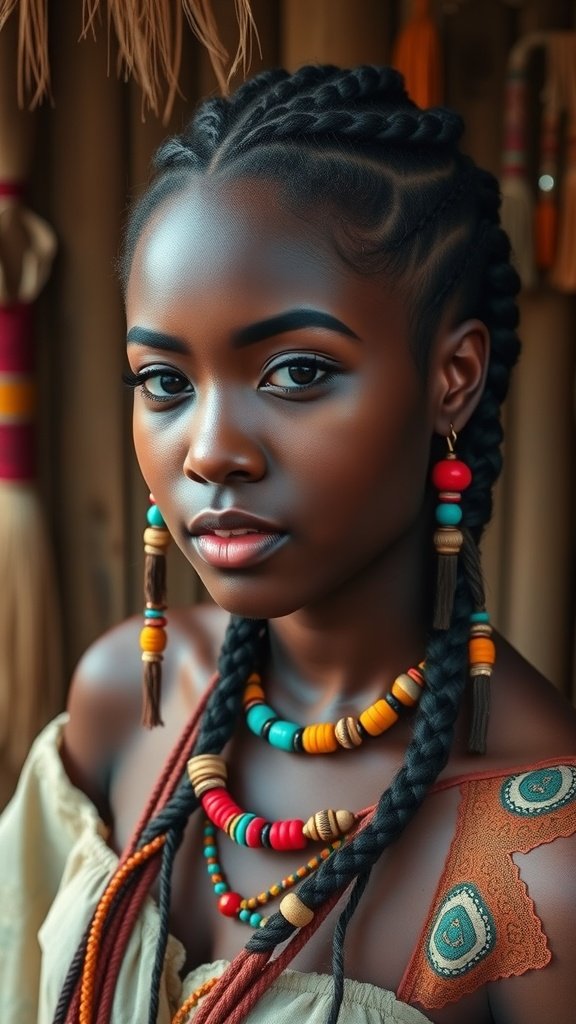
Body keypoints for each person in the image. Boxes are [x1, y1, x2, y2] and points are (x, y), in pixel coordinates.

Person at [1, 63, 576, 1024]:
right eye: (165, 382)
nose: (212, 452)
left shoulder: (540, 867)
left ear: (454, 379)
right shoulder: (123, 707)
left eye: (297, 371)